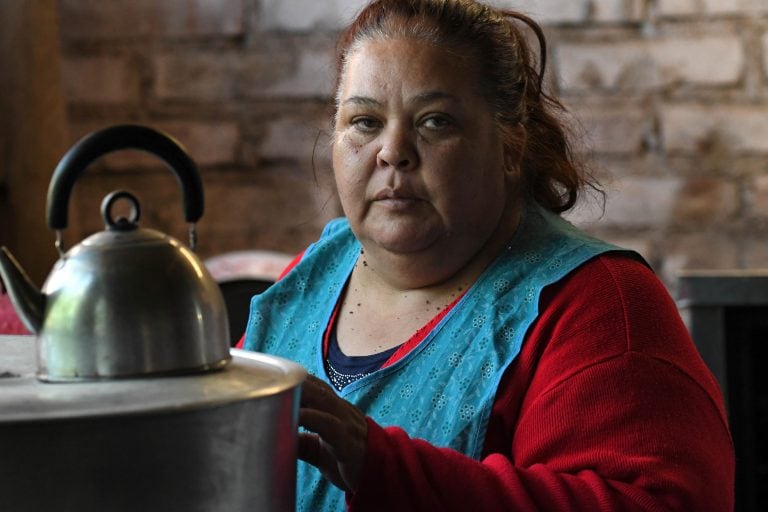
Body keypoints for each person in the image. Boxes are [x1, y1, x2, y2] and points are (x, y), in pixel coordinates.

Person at [239, 0, 735, 509]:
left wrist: (384, 466)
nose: (393, 151)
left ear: (510, 146)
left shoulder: (599, 305)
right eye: (364, 121)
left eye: (435, 122)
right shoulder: (315, 271)